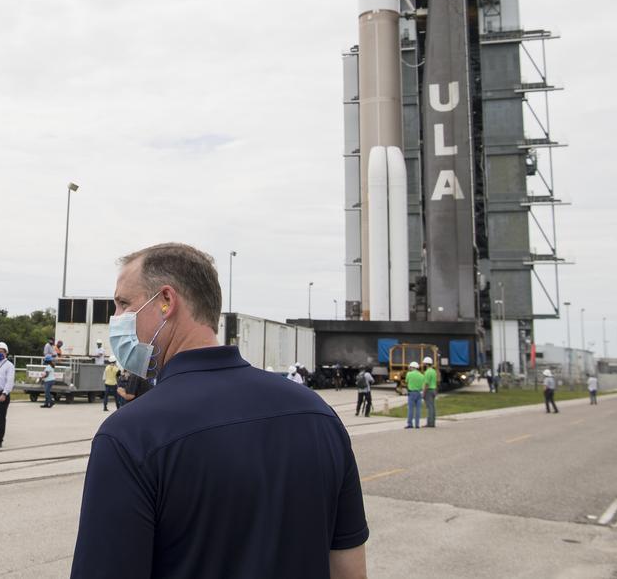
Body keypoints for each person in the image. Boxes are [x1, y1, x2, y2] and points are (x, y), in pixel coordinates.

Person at [69, 243, 367, 578]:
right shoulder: (320, 416)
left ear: (166, 301)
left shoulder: (129, 436)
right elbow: (350, 571)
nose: (116, 319)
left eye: (124, 303)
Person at [404, 361, 425, 429]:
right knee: (418, 409)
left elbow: (406, 382)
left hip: (411, 393)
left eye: (410, 367)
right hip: (419, 393)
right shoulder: (422, 375)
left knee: (410, 409)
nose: (409, 368)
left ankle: (410, 424)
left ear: (412, 367)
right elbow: (423, 385)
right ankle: (417, 424)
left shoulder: (409, 374)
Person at [422, 356, 439, 428]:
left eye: (424, 363)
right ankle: (433, 422)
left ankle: (430, 423)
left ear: (426, 364)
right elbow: (436, 381)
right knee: (433, 407)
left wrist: (423, 393)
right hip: (434, 389)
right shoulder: (433, 371)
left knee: (429, 408)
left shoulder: (427, 372)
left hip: (429, 390)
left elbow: (426, 384)